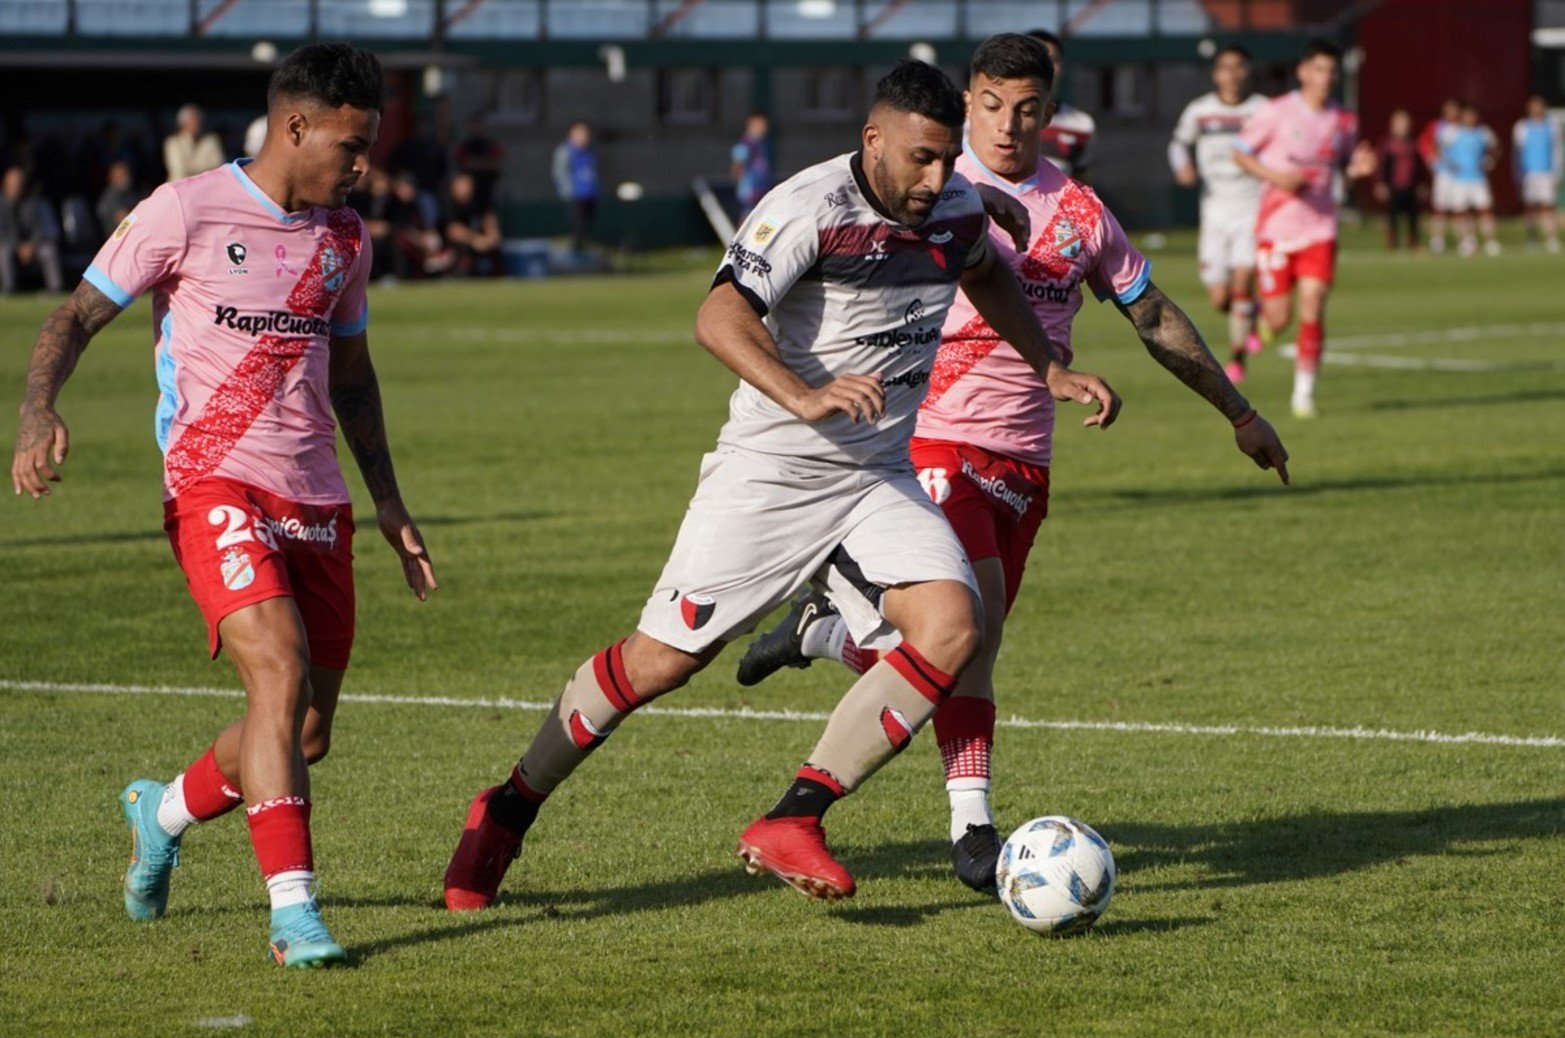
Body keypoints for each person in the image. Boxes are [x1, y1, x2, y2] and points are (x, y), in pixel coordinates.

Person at [442, 59, 1121, 909]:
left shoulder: (950, 205)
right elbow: (716, 315)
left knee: (953, 627)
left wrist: (1047, 365)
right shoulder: (808, 207)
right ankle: (506, 806)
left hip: (875, 473)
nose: (938, 179)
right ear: (871, 140)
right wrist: (805, 395)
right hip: (773, 472)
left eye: (948, 160)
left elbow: (983, 270)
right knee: (662, 661)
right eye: (920, 158)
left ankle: (795, 817)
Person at [736, 34, 1289, 892]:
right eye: (990, 105)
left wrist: (1239, 411)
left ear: (1048, 111)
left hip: (1025, 459)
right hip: (930, 439)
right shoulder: (935, 190)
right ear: (968, 101)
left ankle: (824, 633)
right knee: (966, 635)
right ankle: (971, 832)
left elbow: (1152, 316)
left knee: (963, 648)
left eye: (1026, 109)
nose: (1006, 125)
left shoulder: (1078, 211)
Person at [10, 43, 437, 968]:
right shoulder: (186, 208)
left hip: (316, 495)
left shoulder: (345, 238)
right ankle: (295, 915)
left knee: (305, 732)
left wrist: (392, 503)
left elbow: (354, 378)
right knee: (275, 674)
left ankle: (159, 811)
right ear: (296, 127)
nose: (363, 166)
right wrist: (38, 406)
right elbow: (74, 315)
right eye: (352, 146)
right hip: (212, 483)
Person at [1232, 39, 1376, 419]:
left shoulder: (1343, 120)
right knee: (1279, 318)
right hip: (1276, 229)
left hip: (1319, 228)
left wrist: (1358, 168)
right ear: (1303, 72)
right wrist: (1277, 176)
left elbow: (1346, 161)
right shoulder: (1276, 112)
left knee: (1313, 306)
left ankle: (1304, 394)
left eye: (1332, 71)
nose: (1326, 78)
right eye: (1319, 69)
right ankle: (1260, 332)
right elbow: (1239, 152)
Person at [1168, 44, 1267, 385]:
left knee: (1241, 284)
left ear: (1248, 71)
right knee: (1220, 297)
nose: (1233, 74)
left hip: (1253, 207)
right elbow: (1178, 143)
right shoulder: (1200, 111)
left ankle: (1237, 357)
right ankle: (1252, 314)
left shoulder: (1263, 110)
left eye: (1239, 67)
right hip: (1214, 211)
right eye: (1226, 67)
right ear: (1216, 73)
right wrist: (1183, 167)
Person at [1028, 30, 1095, 181]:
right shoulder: (988, 120)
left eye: (1052, 60)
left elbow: (1082, 180)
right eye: (1035, 59)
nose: (1044, 67)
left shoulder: (1082, 124)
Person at [1445, 102, 1501, 257]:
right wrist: (1450, 163)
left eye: (1472, 115)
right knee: (1461, 212)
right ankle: (1466, 241)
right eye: (1467, 115)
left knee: (1485, 210)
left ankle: (1490, 241)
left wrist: (1490, 160)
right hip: (1459, 180)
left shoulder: (1483, 132)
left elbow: (1496, 148)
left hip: (1478, 178)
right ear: (1462, 117)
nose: (1470, 118)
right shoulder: (1453, 132)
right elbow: (1439, 149)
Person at [0, 166, 64, 294]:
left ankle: (55, 289)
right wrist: (18, 246)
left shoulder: (32, 203)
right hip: (10, 245)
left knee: (49, 250)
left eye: (18, 183)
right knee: (3, 252)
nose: (16, 187)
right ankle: (9, 289)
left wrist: (31, 245)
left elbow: (39, 228)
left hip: (33, 246)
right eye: (12, 184)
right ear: (5, 185)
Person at [1513, 96, 1561, 253]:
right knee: (1531, 207)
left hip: (1547, 172)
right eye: (1534, 106)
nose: (1537, 109)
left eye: (1539, 106)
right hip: (1529, 173)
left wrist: (1557, 171)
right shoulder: (1522, 127)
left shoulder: (1552, 126)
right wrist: (1518, 173)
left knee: (1548, 206)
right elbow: (1517, 153)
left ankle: (1552, 237)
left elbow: (1557, 150)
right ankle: (1532, 238)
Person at [1377, 109, 1424, 251]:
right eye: (1399, 123)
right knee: (1392, 215)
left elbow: (1419, 167)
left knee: (1413, 216)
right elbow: (1381, 166)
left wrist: (1422, 184)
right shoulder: (1387, 145)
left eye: (1405, 123)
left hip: (1410, 186)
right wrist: (1380, 183)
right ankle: (1392, 242)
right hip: (1394, 185)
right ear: (1393, 125)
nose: (1403, 126)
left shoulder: (1413, 144)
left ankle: (1413, 242)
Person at [442, 172, 503, 276]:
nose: (465, 190)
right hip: (458, 245)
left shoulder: (478, 201)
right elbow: (453, 230)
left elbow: (489, 220)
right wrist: (475, 240)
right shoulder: (447, 203)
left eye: (468, 185)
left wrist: (491, 237)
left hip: (481, 242)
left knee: (495, 251)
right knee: (463, 251)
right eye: (461, 185)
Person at [1420, 98, 1460, 253]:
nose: (1451, 113)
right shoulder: (1437, 126)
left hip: (1460, 176)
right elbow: (1426, 145)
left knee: (1459, 209)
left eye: (1454, 109)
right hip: (1443, 174)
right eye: (1448, 109)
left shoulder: (1462, 127)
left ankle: (1463, 240)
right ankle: (1437, 239)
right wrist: (1434, 163)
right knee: (1440, 208)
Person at [552, 120, 599, 254]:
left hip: (589, 194)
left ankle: (583, 250)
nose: (585, 137)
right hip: (575, 194)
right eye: (581, 133)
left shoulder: (589, 151)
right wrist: (567, 190)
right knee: (577, 224)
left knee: (586, 225)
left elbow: (592, 172)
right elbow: (560, 172)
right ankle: (575, 251)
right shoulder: (565, 151)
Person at [162, 104, 225, 183]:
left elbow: (219, 165)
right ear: (183, 123)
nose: (196, 124)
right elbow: (179, 170)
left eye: (198, 120)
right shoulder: (173, 142)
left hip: (207, 185)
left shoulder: (211, 140)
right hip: (180, 186)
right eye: (192, 121)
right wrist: (206, 170)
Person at [454, 115, 505, 209]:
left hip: (486, 186)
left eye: (478, 125)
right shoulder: (465, 145)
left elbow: (495, 163)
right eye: (474, 125)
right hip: (469, 189)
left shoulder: (490, 144)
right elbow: (463, 163)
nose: (476, 128)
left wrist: (477, 164)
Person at [730, 111, 774, 218]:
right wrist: (739, 182)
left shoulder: (762, 144)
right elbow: (737, 165)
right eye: (759, 125)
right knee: (747, 218)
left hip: (762, 189)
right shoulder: (746, 144)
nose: (763, 128)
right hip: (750, 192)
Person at [96, 160, 142, 241]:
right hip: (117, 241)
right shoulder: (110, 198)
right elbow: (125, 222)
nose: (125, 179)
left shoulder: (133, 193)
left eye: (126, 175)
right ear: (112, 179)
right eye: (120, 177)